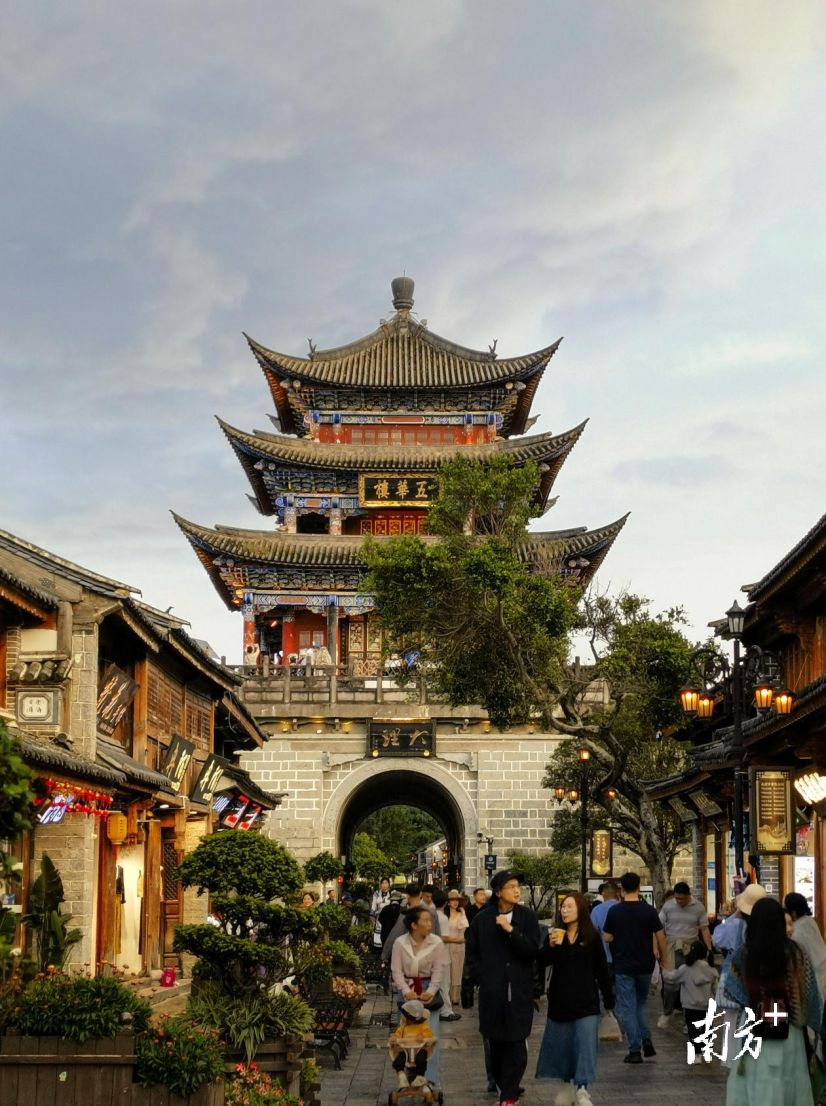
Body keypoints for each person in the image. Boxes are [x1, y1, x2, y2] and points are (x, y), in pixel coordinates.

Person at [723, 897, 821, 1105]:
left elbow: (732, 989)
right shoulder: (796, 953)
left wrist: (756, 999)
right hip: (790, 1030)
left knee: (755, 1080)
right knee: (789, 1080)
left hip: (753, 1027)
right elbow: (809, 992)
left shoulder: (744, 953)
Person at [465, 869, 541, 1106]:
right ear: (498, 892)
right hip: (493, 993)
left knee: (517, 1044)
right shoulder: (482, 920)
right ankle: (503, 1089)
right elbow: (472, 955)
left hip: (519, 992)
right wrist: (483, 979)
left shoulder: (527, 917)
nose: (517, 891)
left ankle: (509, 1095)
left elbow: (532, 951)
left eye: (518, 886)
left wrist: (511, 931)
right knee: (495, 1044)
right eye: (511, 887)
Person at [535, 892, 614, 1106]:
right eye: (563, 907)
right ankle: (566, 1086)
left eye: (570, 906)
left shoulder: (591, 937)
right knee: (562, 1046)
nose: (565, 910)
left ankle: (582, 1089)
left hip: (586, 1000)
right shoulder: (555, 935)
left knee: (585, 1045)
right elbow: (541, 962)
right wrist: (550, 947)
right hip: (560, 1000)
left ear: (581, 909)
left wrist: (609, 998)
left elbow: (602, 970)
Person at [602, 871, 667, 1064]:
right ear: (639, 888)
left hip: (623, 965)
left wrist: (617, 936)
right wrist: (665, 960)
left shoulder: (615, 911)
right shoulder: (649, 911)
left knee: (628, 1007)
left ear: (621, 889)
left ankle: (635, 1049)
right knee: (640, 1004)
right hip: (645, 964)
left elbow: (607, 937)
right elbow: (661, 937)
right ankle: (645, 1037)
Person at [390, 905, 448, 1090]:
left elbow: (438, 970)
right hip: (407, 989)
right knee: (406, 1036)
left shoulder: (436, 943)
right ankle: (407, 1075)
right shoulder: (400, 943)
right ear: (414, 925)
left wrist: (431, 991)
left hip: (427, 988)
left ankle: (428, 1079)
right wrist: (405, 990)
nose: (430, 924)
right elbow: (396, 971)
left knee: (430, 1037)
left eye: (430, 921)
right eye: (426, 921)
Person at [657, 881, 712, 1029]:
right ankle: (667, 1012)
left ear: (689, 895)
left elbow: (704, 929)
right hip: (671, 947)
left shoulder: (698, 907)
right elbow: (658, 927)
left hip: (690, 948)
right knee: (670, 983)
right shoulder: (668, 906)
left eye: (683, 899)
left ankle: (688, 1019)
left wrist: (708, 949)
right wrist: (657, 947)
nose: (680, 901)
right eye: (677, 898)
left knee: (690, 985)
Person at [660, 938, 718, 1061]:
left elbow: (672, 978)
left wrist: (663, 970)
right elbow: (715, 986)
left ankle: (697, 1054)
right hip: (706, 1004)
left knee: (693, 1030)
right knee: (706, 1027)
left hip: (690, 1005)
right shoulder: (710, 969)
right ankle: (706, 1049)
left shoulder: (685, 968)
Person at [784, 891, 826, 1000]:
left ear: (793, 913)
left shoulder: (797, 931)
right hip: (822, 966)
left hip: (813, 974)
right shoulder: (810, 921)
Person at [389, 998, 436, 1091]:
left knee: (421, 1059)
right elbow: (397, 1035)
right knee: (398, 1060)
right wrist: (394, 1039)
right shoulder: (403, 1028)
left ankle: (420, 1077)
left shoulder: (423, 1027)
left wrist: (423, 1036)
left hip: (419, 1050)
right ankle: (401, 1076)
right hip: (406, 1051)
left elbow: (430, 1036)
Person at [442, 889, 469, 1006]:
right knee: (447, 971)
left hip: (458, 946)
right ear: (448, 902)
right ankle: (446, 996)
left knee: (457, 971)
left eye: (457, 900)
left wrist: (463, 913)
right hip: (446, 946)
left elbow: (464, 928)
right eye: (452, 900)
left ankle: (455, 997)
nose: (455, 902)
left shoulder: (461, 914)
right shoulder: (444, 915)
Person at [589, 882, 620, 977]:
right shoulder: (624, 908)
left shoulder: (597, 910)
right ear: (617, 893)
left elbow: (591, 934)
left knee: (606, 984)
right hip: (625, 958)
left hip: (604, 957)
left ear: (603, 894)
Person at [371, 877, 392, 953]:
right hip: (378, 917)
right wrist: (372, 915)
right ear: (380, 884)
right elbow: (373, 905)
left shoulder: (392, 893)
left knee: (387, 932)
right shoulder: (376, 893)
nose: (384, 885)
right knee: (378, 932)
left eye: (386, 883)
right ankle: (377, 949)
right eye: (382, 883)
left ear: (389, 884)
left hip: (388, 917)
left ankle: (386, 949)